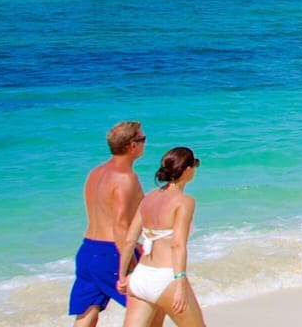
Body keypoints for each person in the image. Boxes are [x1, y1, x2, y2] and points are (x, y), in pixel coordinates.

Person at [72, 122, 150, 326]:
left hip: (88, 250)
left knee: (87, 311)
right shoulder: (126, 178)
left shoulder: (95, 173)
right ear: (132, 145)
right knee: (146, 307)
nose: (145, 143)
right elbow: (119, 226)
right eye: (143, 139)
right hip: (111, 253)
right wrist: (130, 266)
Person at [120, 148, 206, 327]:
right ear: (187, 170)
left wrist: (122, 277)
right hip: (166, 278)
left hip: (140, 276)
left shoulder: (149, 198)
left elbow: (129, 241)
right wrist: (180, 285)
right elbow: (178, 245)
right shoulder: (184, 201)